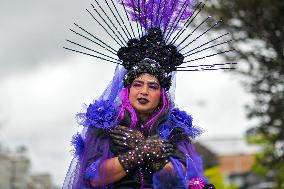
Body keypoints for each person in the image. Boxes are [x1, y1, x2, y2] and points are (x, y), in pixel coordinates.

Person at [62, 0, 234, 188]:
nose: (144, 91)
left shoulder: (174, 129)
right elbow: (95, 178)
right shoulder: (106, 124)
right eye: (138, 84)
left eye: (152, 86)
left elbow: (180, 178)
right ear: (128, 89)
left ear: (162, 94)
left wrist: (143, 146)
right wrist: (141, 151)